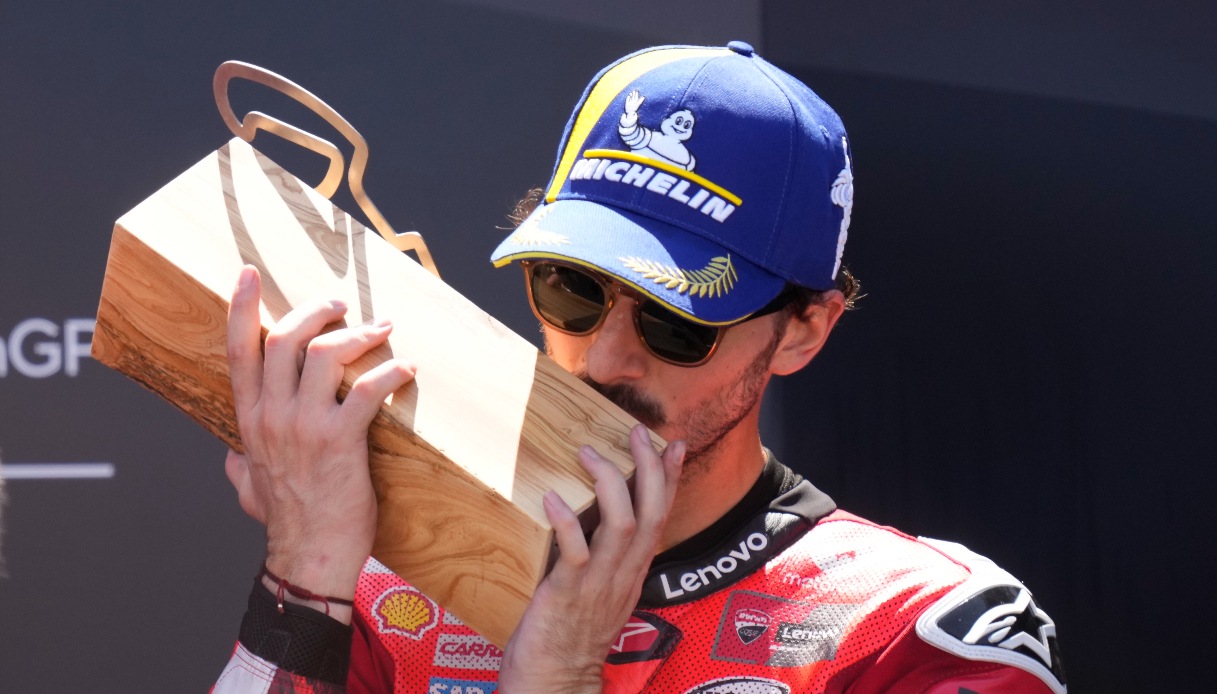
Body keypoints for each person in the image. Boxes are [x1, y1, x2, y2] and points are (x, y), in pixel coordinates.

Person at [212, 43, 1067, 693]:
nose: (604, 358)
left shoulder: (914, 630)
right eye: (572, 290)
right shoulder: (389, 596)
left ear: (804, 331)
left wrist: (559, 676)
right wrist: (307, 570)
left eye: (675, 321)